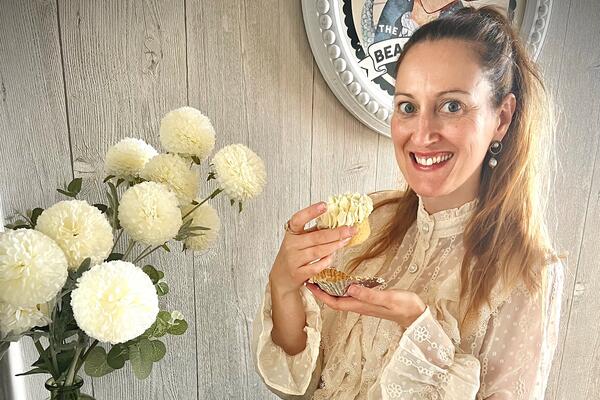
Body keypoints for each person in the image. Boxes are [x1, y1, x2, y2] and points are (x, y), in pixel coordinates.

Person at [251, 6, 567, 399]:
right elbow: (303, 385)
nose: (421, 134)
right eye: (408, 107)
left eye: (452, 106)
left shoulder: (525, 273)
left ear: (501, 117)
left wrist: (420, 328)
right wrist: (284, 285)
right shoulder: (371, 221)